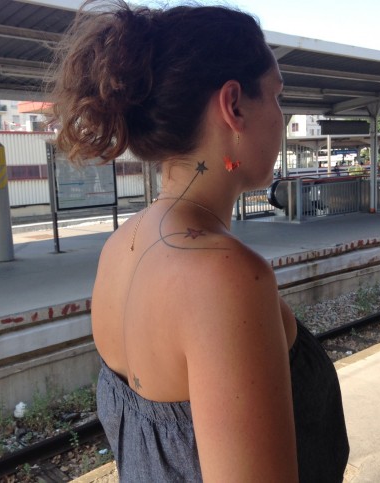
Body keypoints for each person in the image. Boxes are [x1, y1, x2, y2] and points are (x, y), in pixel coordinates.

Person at [50, 1, 349, 481]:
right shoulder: (227, 276)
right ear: (234, 106)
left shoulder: (119, 246)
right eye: (276, 97)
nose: (282, 117)